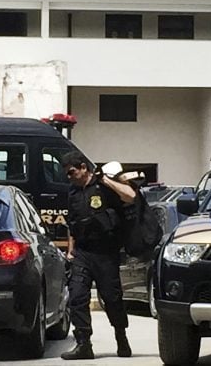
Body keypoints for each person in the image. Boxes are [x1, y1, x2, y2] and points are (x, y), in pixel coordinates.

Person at [60, 152, 136, 361]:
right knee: (77, 297)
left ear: (83, 167)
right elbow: (72, 223)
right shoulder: (73, 192)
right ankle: (84, 344)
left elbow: (130, 196)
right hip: (82, 253)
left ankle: (121, 336)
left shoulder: (103, 185)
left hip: (106, 253)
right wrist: (70, 250)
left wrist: (106, 180)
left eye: (72, 172)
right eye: (67, 174)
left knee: (112, 299)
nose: (70, 177)